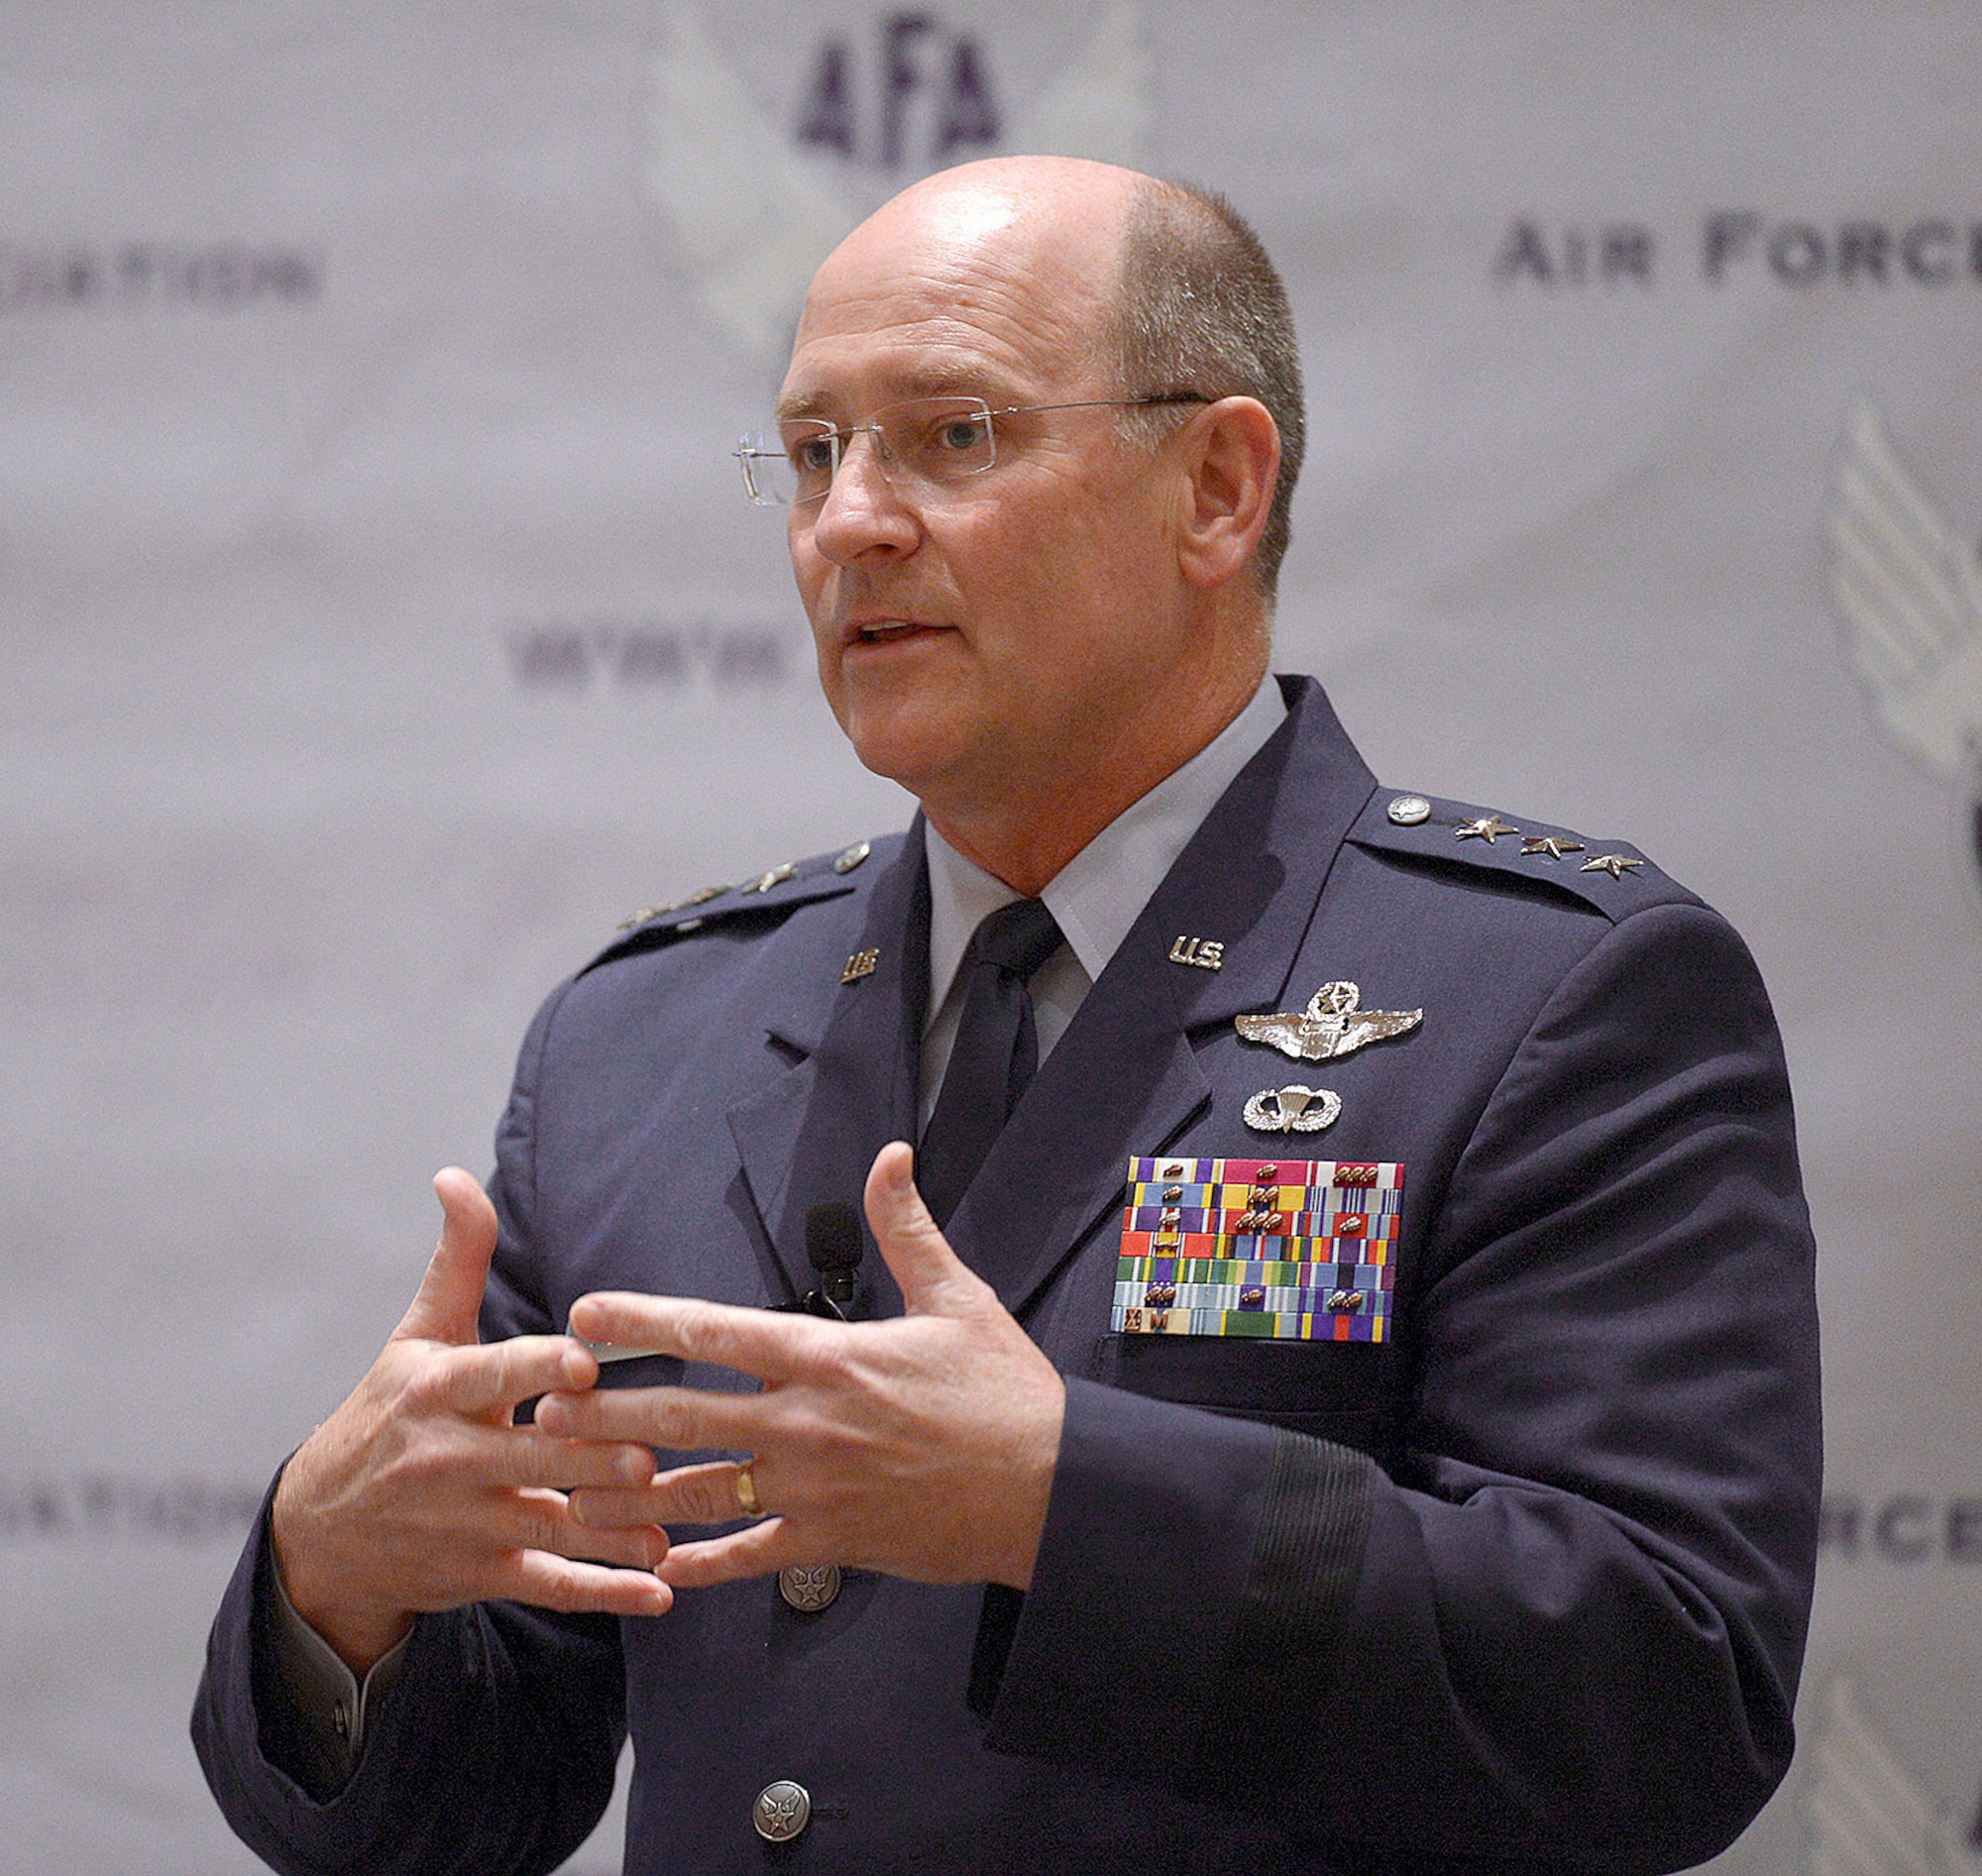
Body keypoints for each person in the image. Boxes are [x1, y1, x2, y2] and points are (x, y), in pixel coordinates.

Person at [194, 156, 1820, 1875]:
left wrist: (1062, 1501)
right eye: (814, 452)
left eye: (953, 436)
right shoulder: (642, 1037)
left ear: (1215, 483)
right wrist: (339, 1583)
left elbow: (1664, 1687)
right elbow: (473, 1801)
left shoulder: (1547, 993)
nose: (849, 522)